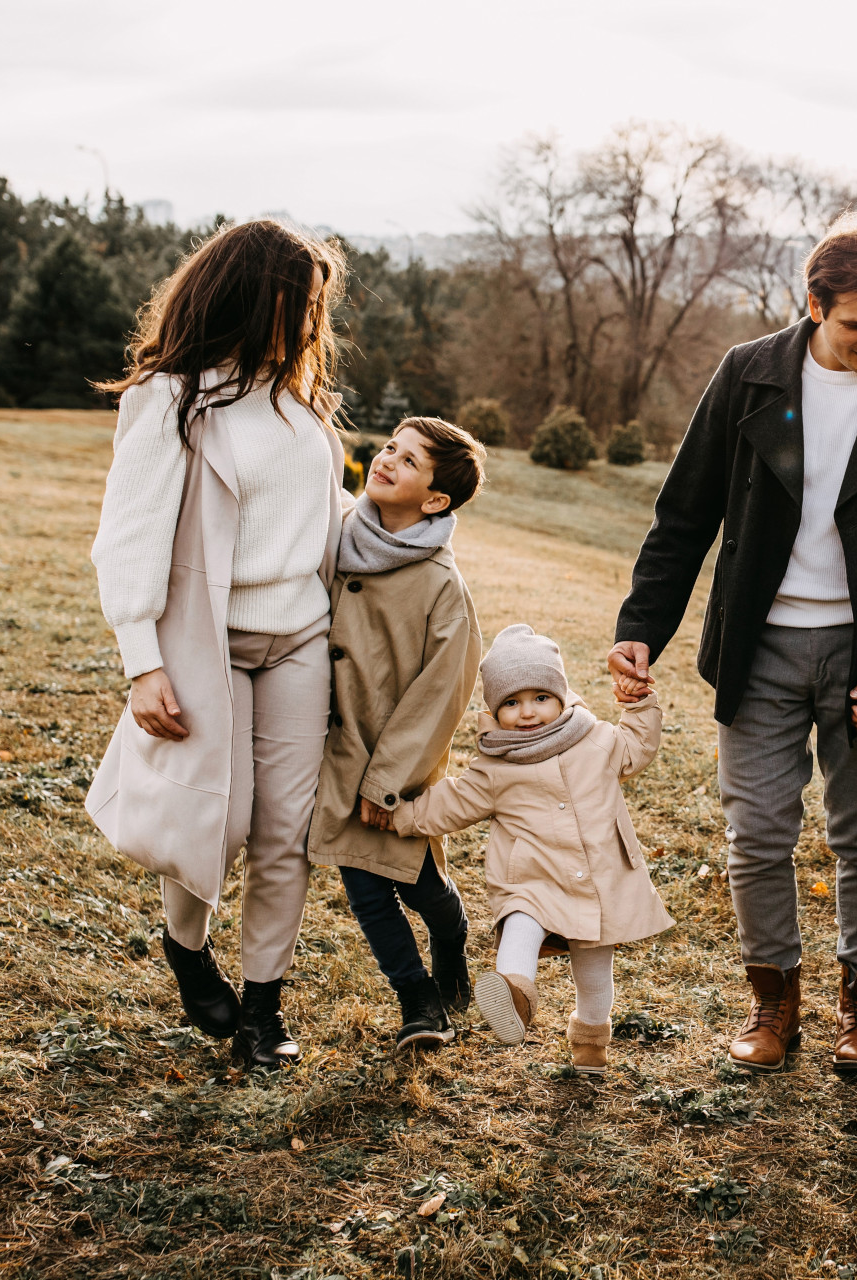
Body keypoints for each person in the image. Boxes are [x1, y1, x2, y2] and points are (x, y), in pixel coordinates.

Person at [609, 212, 857, 1075]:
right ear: (813, 305)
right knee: (758, 835)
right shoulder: (748, 377)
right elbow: (685, 515)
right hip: (759, 648)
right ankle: (773, 1004)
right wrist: (640, 628)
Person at [86, 219, 353, 1070]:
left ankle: (264, 1009)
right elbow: (126, 536)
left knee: (287, 830)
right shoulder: (171, 398)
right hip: (211, 640)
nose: (312, 321)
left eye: (318, 306)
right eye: (300, 302)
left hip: (301, 637)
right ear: (251, 293)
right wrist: (142, 661)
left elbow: (317, 518)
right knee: (222, 819)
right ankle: (185, 946)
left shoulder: (300, 400)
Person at [390, 625, 672, 1077]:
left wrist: (638, 703)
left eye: (540, 697)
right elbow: (452, 802)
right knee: (520, 925)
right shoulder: (496, 766)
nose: (527, 713)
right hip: (532, 879)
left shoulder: (595, 739)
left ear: (561, 695)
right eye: (511, 703)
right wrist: (400, 815)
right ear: (494, 710)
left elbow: (637, 747)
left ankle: (590, 1043)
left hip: (599, 879)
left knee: (595, 970)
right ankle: (515, 997)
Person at [306, 417, 487, 1050]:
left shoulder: (442, 587)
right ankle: (419, 1002)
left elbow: (440, 699)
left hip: (392, 770)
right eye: (389, 447)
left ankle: (453, 932)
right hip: (332, 751)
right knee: (361, 881)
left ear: (435, 500)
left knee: (418, 887)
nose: (386, 460)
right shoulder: (334, 537)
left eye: (408, 461)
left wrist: (387, 784)